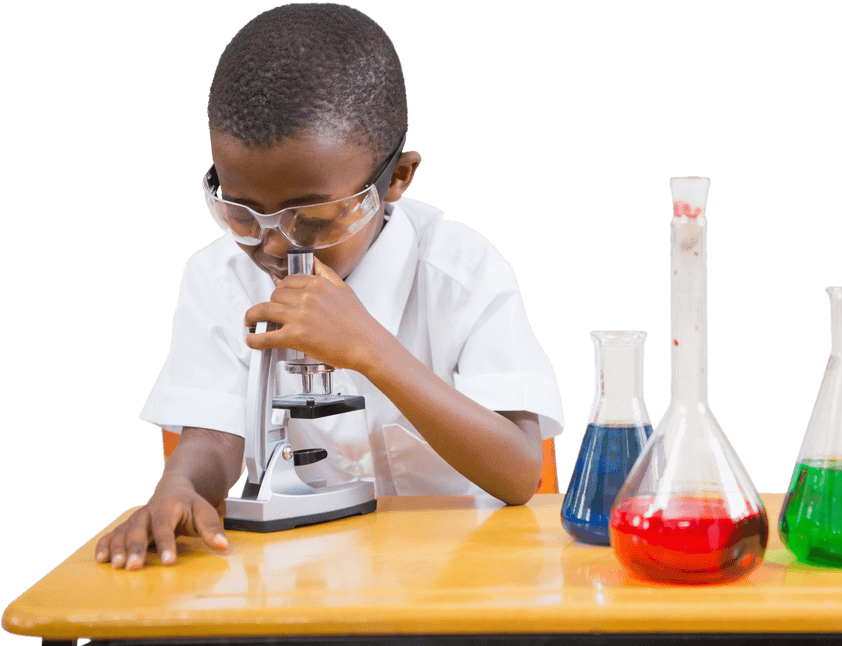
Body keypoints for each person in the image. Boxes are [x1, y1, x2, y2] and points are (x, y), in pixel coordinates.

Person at [96, 3, 564, 571]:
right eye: (242, 214)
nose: (274, 247)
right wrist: (181, 490)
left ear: (396, 179)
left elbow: (519, 473)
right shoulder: (217, 276)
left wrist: (369, 347)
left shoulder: (461, 272)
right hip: (304, 585)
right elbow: (212, 438)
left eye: (314, 219)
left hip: (463, 585)